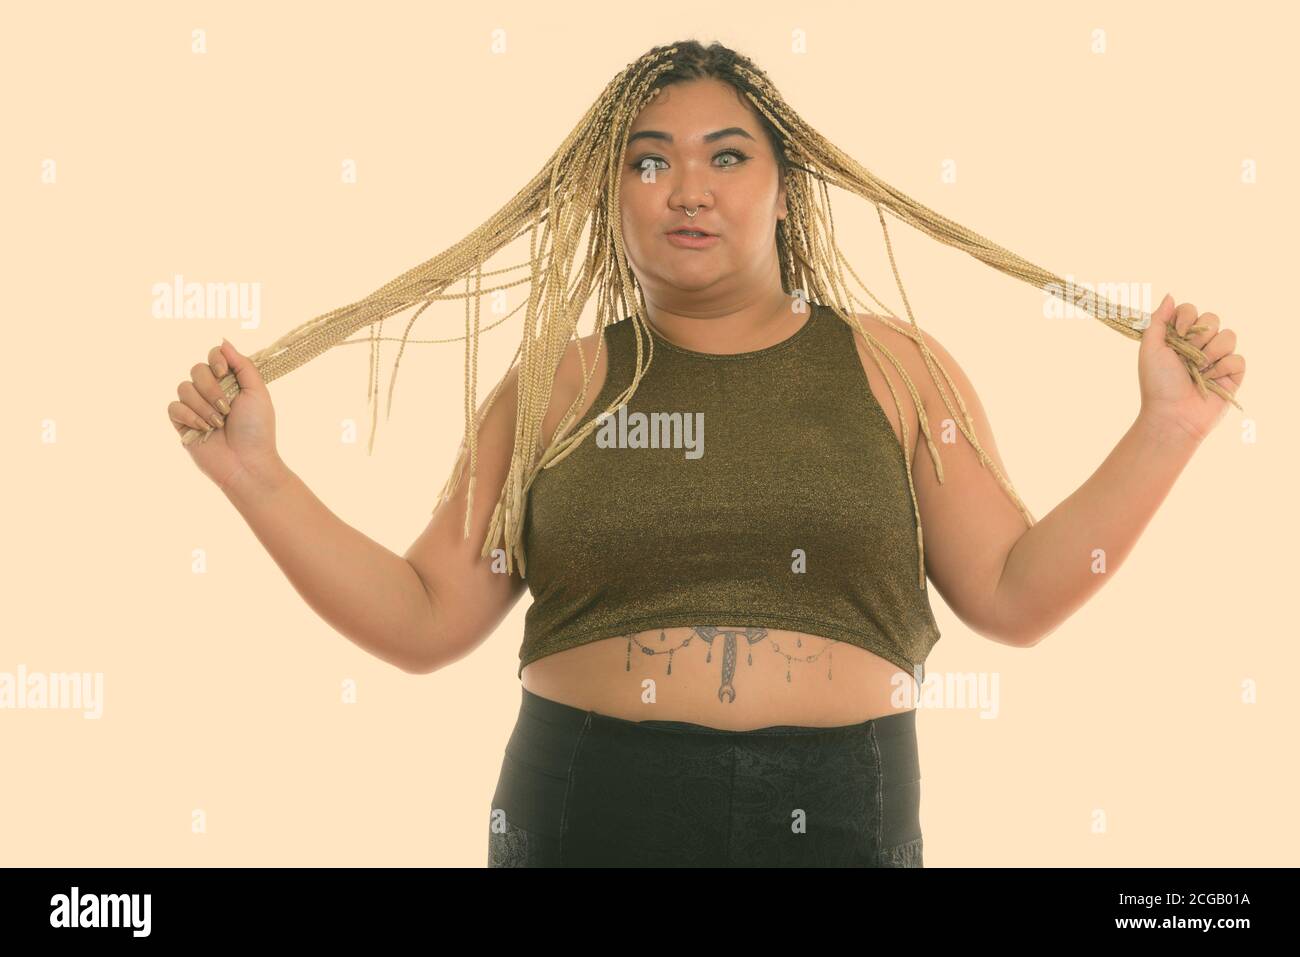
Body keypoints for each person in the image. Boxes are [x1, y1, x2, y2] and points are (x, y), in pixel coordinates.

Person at [166, 40, 1246, 867]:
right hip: (585, 804)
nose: (689, 190)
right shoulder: (556, 386)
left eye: (727, 157)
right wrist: (254, 473)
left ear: (785, 186)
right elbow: (422, 618)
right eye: (650, 162)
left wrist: (1166, 429)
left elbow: (1012, 595)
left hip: (843, 814)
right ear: (611, 195)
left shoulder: (895, 367)